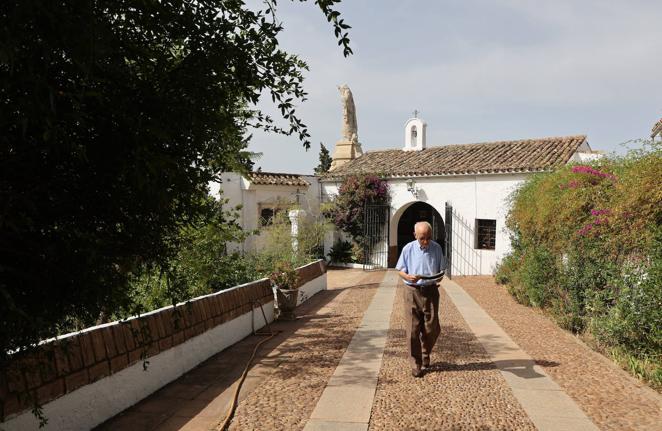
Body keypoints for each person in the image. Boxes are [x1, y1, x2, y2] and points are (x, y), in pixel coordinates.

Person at [396, 221, 446, 377]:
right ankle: (416, 363)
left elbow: (441, 271)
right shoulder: (408, 249)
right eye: (422, 238)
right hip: (412, 291)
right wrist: (408, 276)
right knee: (412, 330)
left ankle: (425, 353)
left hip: (431, 290)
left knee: (432, 328)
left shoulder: (436, 248)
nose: (425, 241)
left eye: (428, 238)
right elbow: (400, 270)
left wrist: (437, 277)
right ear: (415, 235)